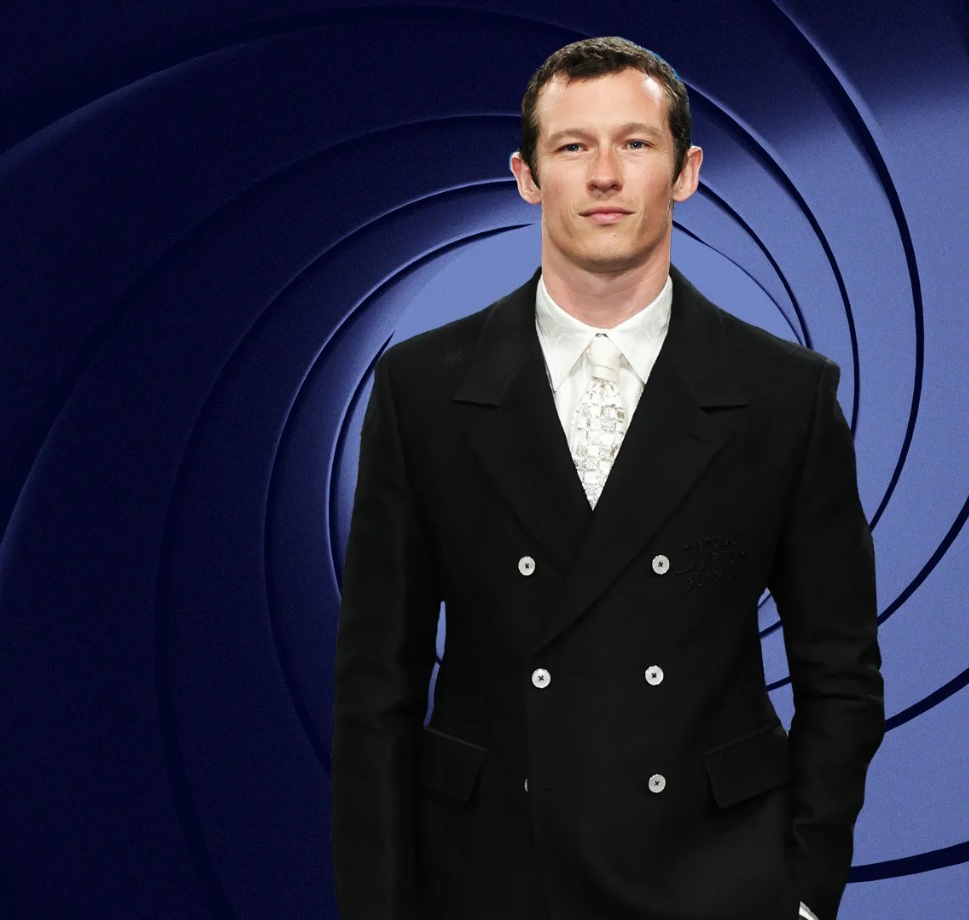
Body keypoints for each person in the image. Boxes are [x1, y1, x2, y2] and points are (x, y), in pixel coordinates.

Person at [331, 36, 884, 920]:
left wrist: (805, 893)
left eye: (634, 143)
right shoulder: (422, 389)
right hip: (490, 877)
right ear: (526, 176)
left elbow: (841, 671)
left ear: (685, 172)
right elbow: (374, 685)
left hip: (715, 876)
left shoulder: (785, 395)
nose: (603, 175)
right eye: (572, 146)